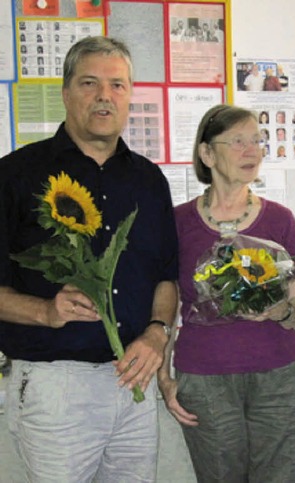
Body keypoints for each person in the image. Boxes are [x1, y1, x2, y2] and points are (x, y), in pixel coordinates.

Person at [0, 36, 179, 482]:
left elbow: (166, 277)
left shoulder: (149, 180)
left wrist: (158, 334)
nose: (104, 96)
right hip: (56, 384)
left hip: (133, 380)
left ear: (129, 96)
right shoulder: (15, 175)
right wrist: (44, 310)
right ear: (65, 92)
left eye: (117, 85)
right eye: (90, 83)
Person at [158, 104, 295, 482]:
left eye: (256, 141)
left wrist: (279, 312)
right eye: (237, 141)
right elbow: (165, 305)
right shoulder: (177, 223)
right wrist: (164, 377)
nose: (251, 150)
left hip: (277, 375)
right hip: (205, 379)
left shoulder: (280, 219)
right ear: (207, 153)